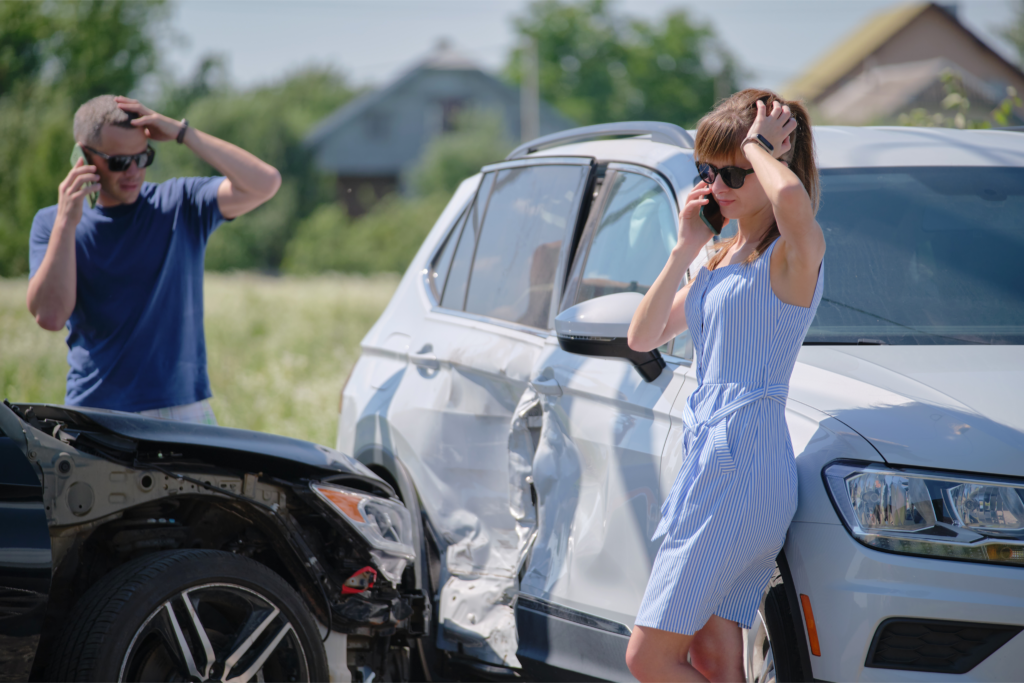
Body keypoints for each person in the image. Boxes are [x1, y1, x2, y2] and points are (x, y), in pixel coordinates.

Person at [623, 89, 826, 683]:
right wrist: (684, 247)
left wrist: (761, 150)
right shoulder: (720, 256)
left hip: (743, 458)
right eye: (708, 170)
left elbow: (790, 198)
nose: (719, 183)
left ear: (775, 159)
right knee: (714, 658)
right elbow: (645, 335)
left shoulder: (793, 253)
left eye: (736, 169)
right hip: (711, 460)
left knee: (647, 658)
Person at [27, 95, 281, 424]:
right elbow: (49, 316)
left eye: (142, 157)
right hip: (96, 412)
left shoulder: (180, 204)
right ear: (83, 157)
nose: (134, 172)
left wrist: (182, 133)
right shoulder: (51, 223)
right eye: (120, 162)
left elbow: (265, 183)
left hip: (182, 410)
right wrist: (66, 223)